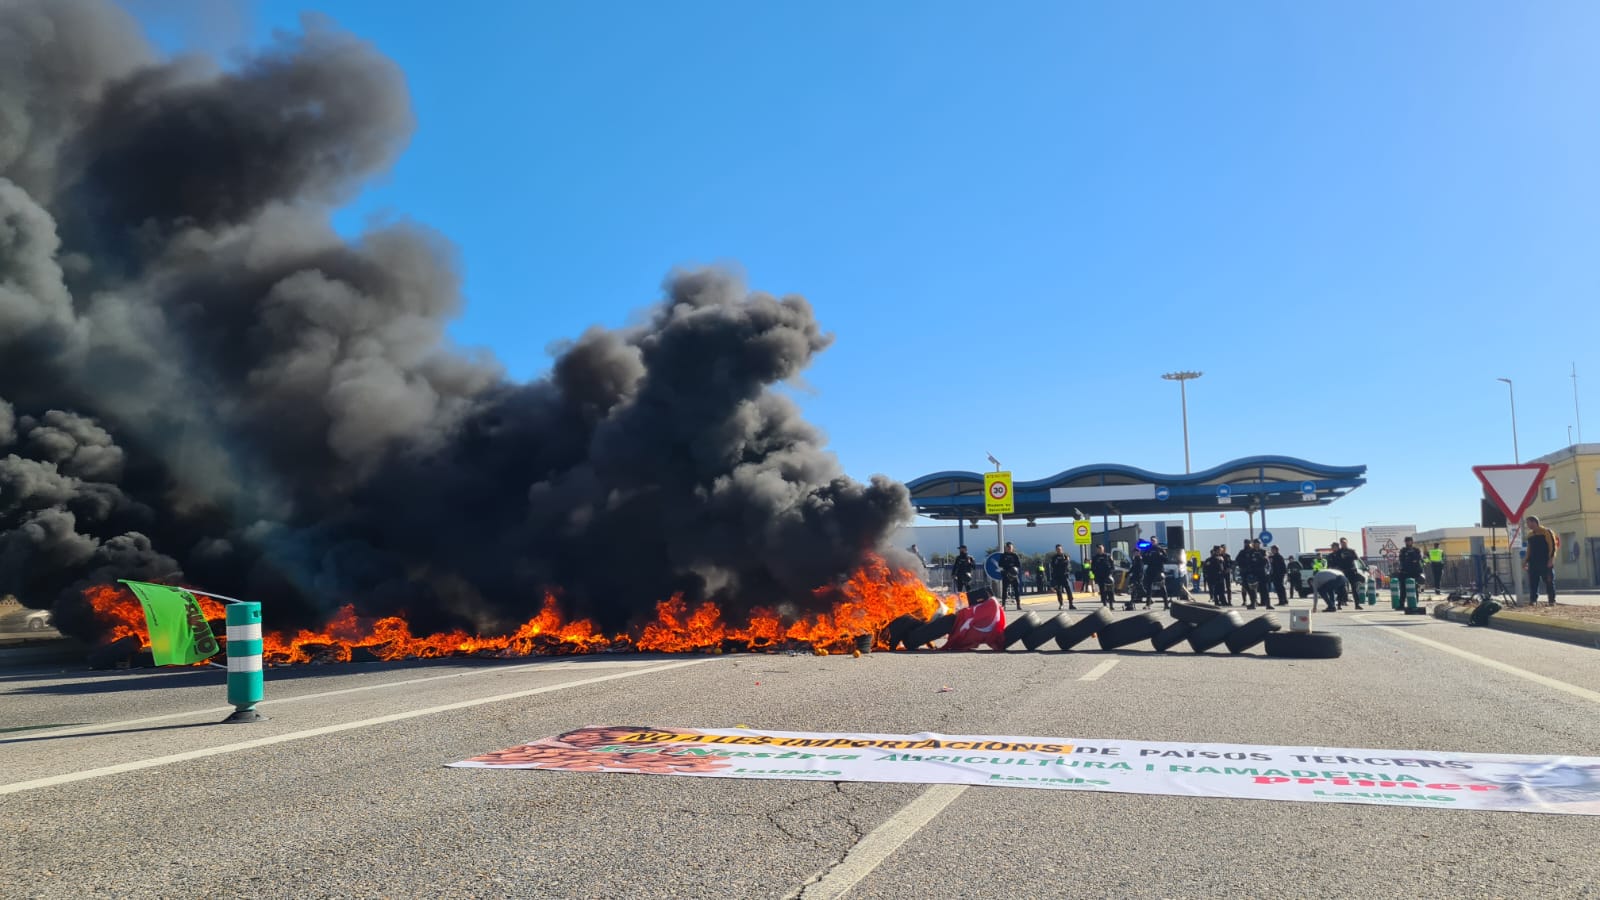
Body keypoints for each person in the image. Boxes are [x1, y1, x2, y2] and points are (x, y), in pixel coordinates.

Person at [1523, 516, 1558, 606]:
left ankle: (1551, 601)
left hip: (1545, 561)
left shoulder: (1546, 532)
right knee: (1533, 582)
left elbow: (1553, 546)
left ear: (1534, 522)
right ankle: (1533, 600)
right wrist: (1525, 561)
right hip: (1533, 562)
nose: (1527, 525)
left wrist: (1551, 559)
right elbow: (1529, 549)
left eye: (1528, 523)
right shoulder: (1530, 535)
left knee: (1549, 581)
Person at [1332, 538, 1363, 608]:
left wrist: (1354, 553)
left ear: (1347, 543)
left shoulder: (1351, 551)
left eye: (1345, 542)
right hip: (1343, 571)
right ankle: (1339, 604)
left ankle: (1357, 604)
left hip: (1351, 571)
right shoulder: (1338, 552)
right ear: (1340, 543)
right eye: (1342, 543)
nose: (1344, 544)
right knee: (1341, 588)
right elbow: (1336, 561)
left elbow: (1357, 558)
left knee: (1354, 588)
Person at [1239, 540, 1270, 610]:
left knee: (1264, 589)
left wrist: (1261, 557)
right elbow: (1247, 561)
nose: (1257, 545)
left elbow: (1266, 561)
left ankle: (1268, 604)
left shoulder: (1263, 552)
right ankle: (1253, 604)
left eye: (1258, 543)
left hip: (1262, 572)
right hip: (1253, 572)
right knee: (1252, 589)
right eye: (1255, 543)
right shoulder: (1250, 552)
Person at [1396, 536, 1426, 607]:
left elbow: (1418, 558)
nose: (1408, 542)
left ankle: (1415, 603)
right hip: (1405, 572)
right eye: (1407, 541)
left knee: (1415, 588)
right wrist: (1411, 560)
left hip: (1415, 572)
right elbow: (1402, 560)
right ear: (1405, 542)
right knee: (1403, 589)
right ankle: (1401, 604)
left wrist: (1411, 560)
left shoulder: (1416, 550)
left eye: (1409, 541)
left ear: (1412, 542)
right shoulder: (1403, 550)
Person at [1141, 541, 1170, 609]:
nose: (1152, 542)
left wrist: (1160, 555)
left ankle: (1166, 604)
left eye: (1154, 541)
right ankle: (1148, 604)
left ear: (1156, 542)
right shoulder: (1148, 550)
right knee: (1148, 587)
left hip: (1159, 570)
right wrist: (1148, 556)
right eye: (1151, 541)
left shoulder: (1160, 549)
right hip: (1150, 570)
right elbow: (1143, 559)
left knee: (1162, 586)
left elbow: (1166, 559)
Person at [1048, 544, 1075, 610]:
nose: (1059, 550)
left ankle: (1071, 604)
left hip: (1065, 576)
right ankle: (1061, 604)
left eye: (1060, 549)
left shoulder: (1065, 556)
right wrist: (1061, 563)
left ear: (1062, 549)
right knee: (1058, 591)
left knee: (1068, 590)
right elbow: (1053, 566)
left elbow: (1067, 565)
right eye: (1057, 549)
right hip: (1057, 576)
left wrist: (1065, 562)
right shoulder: (1054, 557)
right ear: (1056, 550)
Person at [1090, 544, 1116, 609]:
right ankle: (1105, 605)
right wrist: (1095, 575)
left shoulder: (1108, 556)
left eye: (1101, 548)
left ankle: (1111, 605)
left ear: (1103, 549)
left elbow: (1113, 566)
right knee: (1103, 591)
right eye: (1098, 549)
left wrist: (1110, 574)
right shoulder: (1095, 557)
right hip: (1100, 577)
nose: (1100, 550)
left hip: (1108, 576)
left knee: (1110, 591)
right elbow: (1092, 567)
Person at [999, 542, 1023, 608]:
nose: (1009, 549)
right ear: (1006, 548)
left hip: (1014, 575)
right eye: (1008, 547)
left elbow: (1019, 565)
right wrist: (1007, 567)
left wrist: (1014, 568)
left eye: (1010, 547)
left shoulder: (1015, 555)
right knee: (1004, 590)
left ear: (1012, 548)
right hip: (1006, 575)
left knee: (1016, 590)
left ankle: (1018, 604)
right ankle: (1003, 605)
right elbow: (1000, 564)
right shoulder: (1003, 555)